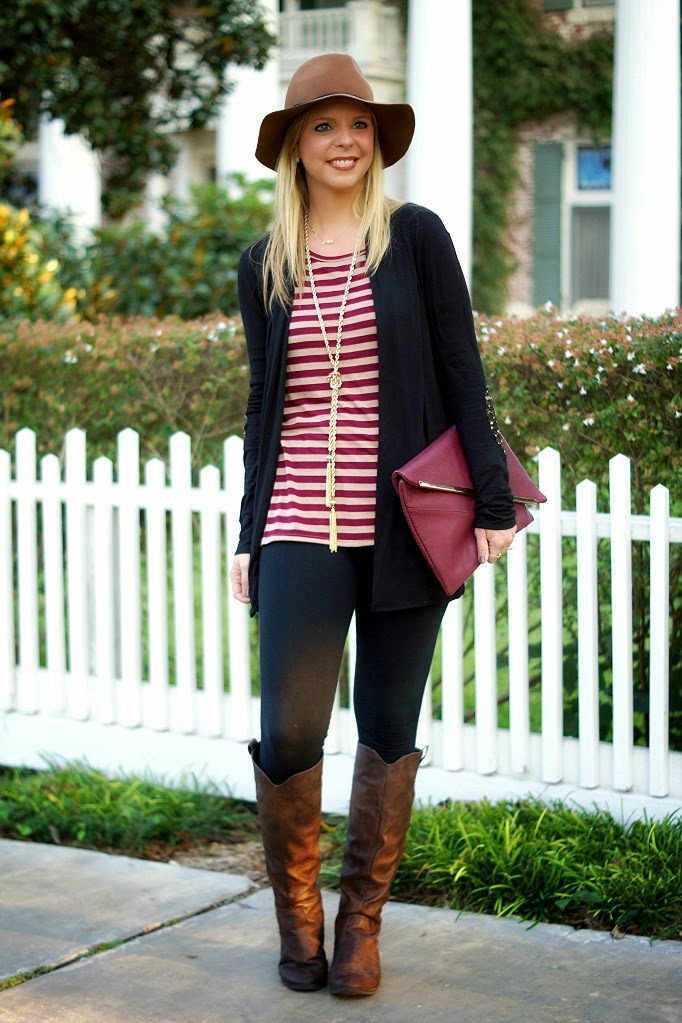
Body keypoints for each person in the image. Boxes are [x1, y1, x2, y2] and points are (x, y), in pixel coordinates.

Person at [229, 53, 516, 998]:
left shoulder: (418, 239)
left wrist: (494, 497)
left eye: (357, 125)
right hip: (299, 527)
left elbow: (461, 372)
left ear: (376, 142)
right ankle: (298, 924)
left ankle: (359, 927)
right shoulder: (263, 263)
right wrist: (247, 530)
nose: (343, 141)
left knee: (389, 727)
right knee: (291, 730)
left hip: (404, 529)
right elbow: (263, 404)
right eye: (322, 126)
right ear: (295, 148)